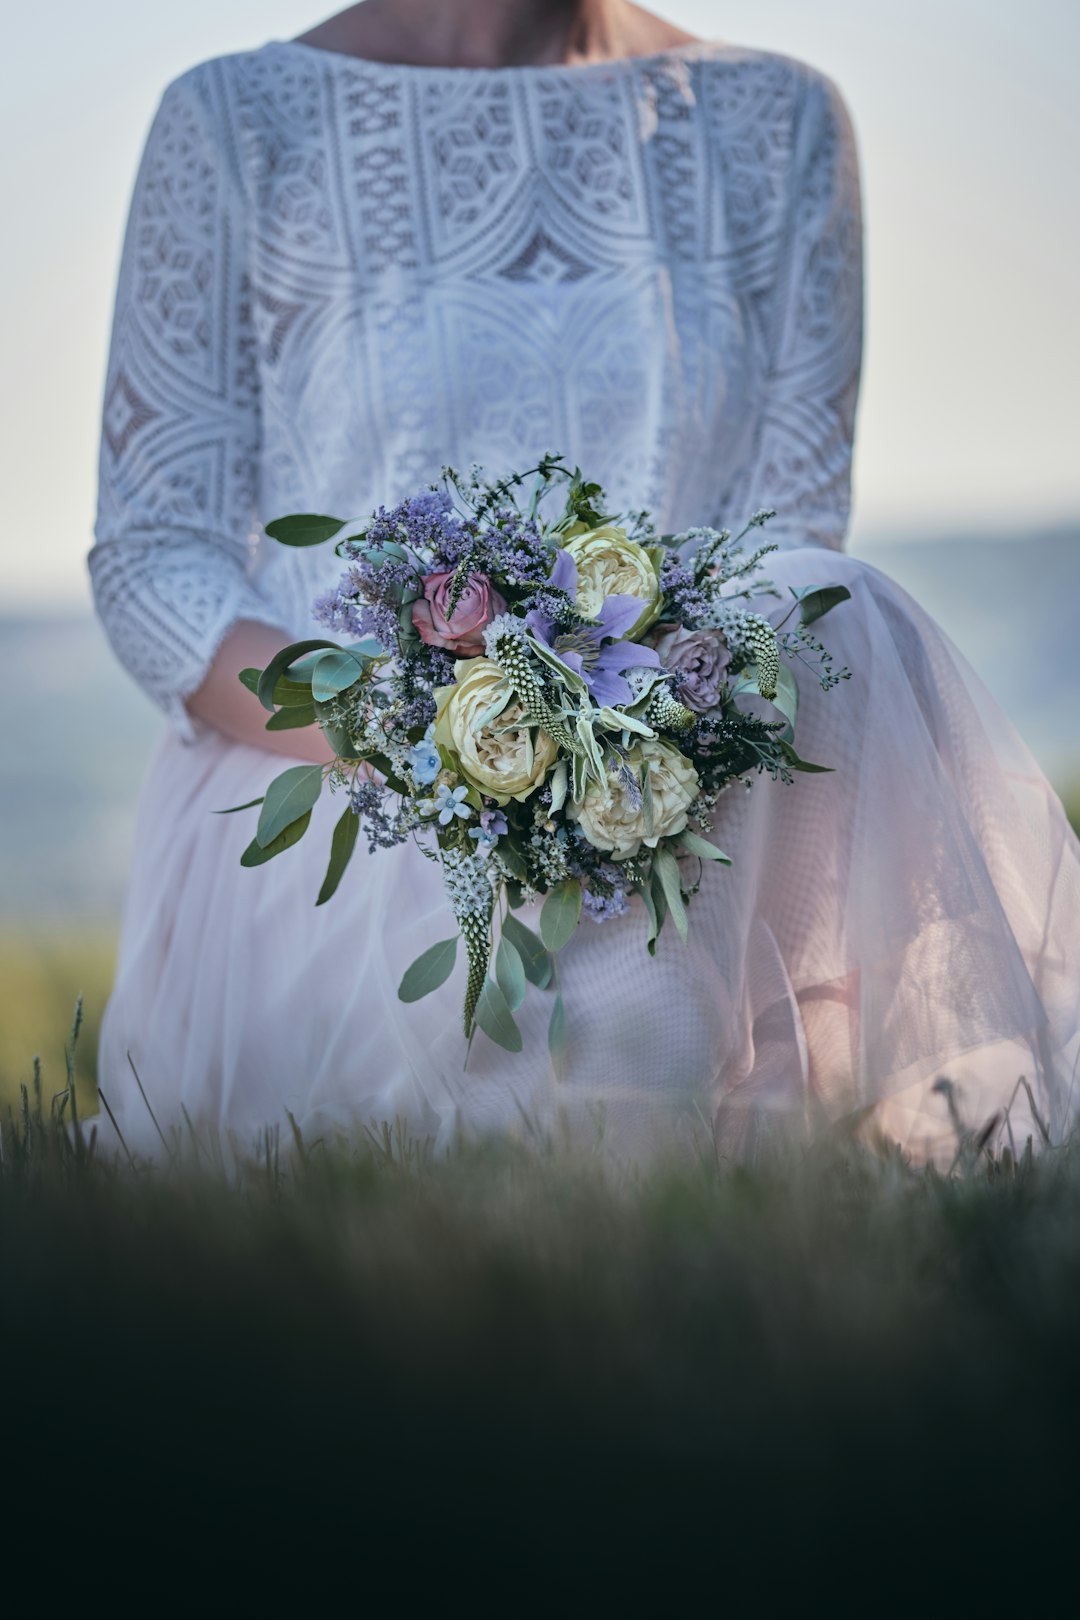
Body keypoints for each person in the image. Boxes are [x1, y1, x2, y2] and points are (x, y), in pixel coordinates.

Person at [88, 0, 1080, 1165]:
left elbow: (783, 550)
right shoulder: (234, 121)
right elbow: (157, 566)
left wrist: (625, 759)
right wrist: (426, 738)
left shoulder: (783, 119)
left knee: (840, 603)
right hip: (349, 800)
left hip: (688, 810)